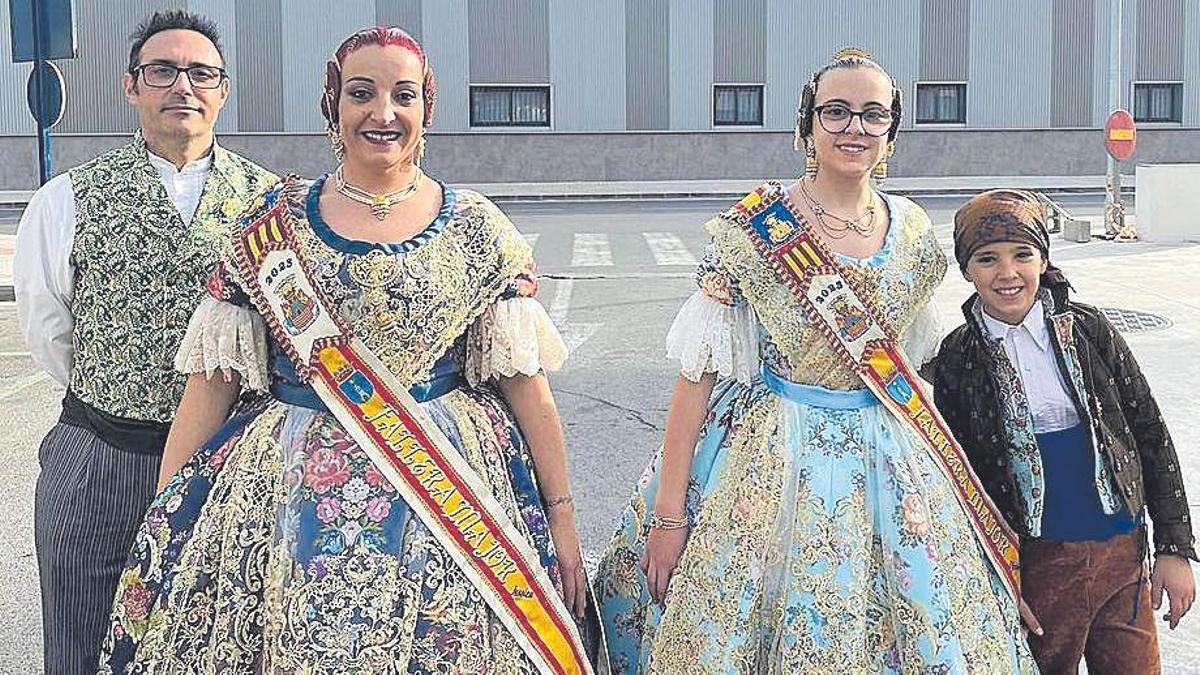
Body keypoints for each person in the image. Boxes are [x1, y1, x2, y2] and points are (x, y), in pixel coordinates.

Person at [99, 26, 595, 674]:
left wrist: (561, 519)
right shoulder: (270, 223)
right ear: (333, 102)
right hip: (286, 512)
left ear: (427, 107)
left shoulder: (478, 227)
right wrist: (163, 527)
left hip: (451, 517)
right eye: (361, 92)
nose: (382, 112)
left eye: (403, 94)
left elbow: (530, 392)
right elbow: (210, 386)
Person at [593, 49, 1036, 673]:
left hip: (891, 455)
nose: (855, 128)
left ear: (891, 132)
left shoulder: (910, 230)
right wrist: (670, 513)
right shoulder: (759, 226)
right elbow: (695, 379)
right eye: (837, 112)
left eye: (873, 114)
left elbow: (917, 371)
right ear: (807, 126)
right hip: (771, 454)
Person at [13, 10, 275, 673]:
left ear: (223, 90)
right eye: (162, 70)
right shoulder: (66, 199)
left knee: (219, 642)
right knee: (79, 646)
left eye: (201, 73)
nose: (181, 85)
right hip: (99, 456)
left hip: (228, 467)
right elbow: (50, 330)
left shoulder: (270, 205)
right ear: (132, 87)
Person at [931, 189, 1196, 673]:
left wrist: (1174, 548)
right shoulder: (957, 359)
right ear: (967, 270)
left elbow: (1150, 433)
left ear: (1043, 258)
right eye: (987, 259)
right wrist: (998, 583)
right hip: (1037, 568)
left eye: (1022, 254)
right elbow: (957, 481)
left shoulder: (1092, 330)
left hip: (1123, 557)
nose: (1007, 273)